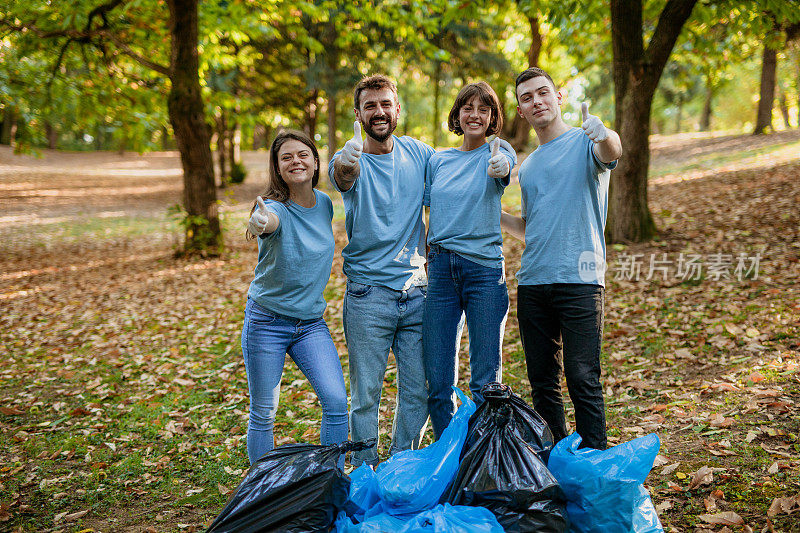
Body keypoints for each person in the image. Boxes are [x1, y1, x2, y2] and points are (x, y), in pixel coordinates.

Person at [501, 67, 623, 450]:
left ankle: (596, 465)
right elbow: (529, 226)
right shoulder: (529, 166)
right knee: (543, 383)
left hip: (581, 280)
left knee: (582, 376)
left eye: (542, 93)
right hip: (534, 283)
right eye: (527, 97)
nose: (536, 101)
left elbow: (611, 152)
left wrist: (605, 135)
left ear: (558, 98)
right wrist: (490, 212)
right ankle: (556, 462)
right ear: (521, 111)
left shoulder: (585, 141)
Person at [329, 74, 434, 467]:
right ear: (358, 114)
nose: (379, 112)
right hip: (368, 295)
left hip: (416, 291)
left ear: (397, 109)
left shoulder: (419, 154)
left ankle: (400, 464)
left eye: (385, 104)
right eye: (370, 106)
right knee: (366, 393)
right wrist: (347, 162)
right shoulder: (350, 155)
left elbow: (456, 175)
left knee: (418, 391)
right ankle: (366, 470)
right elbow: (342, 175)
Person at [242, 130, 347, 465]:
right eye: (286, 157)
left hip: (310, 325)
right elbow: (268, 221)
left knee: (335, 402)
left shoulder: (325, 204)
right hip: (267, 322)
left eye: (303, 154)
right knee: (264, 411)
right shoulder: (274, 209)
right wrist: (259, 222)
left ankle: (329, 480)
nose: (296, 162)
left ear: (316, 162)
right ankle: (261, 490)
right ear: (277, 167)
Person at [422, 81, 517, 439]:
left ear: (492, 117)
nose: (475, 115)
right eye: (468, 108)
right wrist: (429, 254)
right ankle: (450, 455)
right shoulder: (439, 159)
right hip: (442, 274)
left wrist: (499, 166)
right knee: (438, 381)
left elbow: (504, 165)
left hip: (483, 273)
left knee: (485, 382)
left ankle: (484, 457)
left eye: (484, 109)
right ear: (457, 114)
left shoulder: (498, 149)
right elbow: (431, 212)